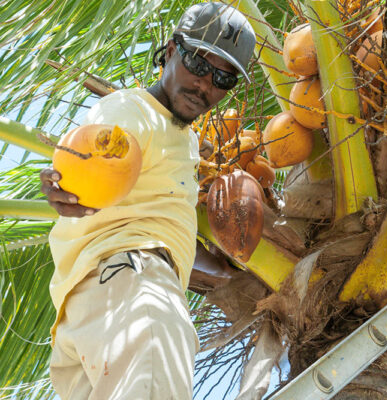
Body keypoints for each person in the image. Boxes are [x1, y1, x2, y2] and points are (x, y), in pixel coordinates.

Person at [40, 2, 256, 399]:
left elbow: (175, 238)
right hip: (132, 285)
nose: (206, 85)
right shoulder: (134, 109)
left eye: (223, 78)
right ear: (171, 51)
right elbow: (106, 146)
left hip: (91, 312)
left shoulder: (183, 141)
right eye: (199, 63)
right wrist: (70, 183)